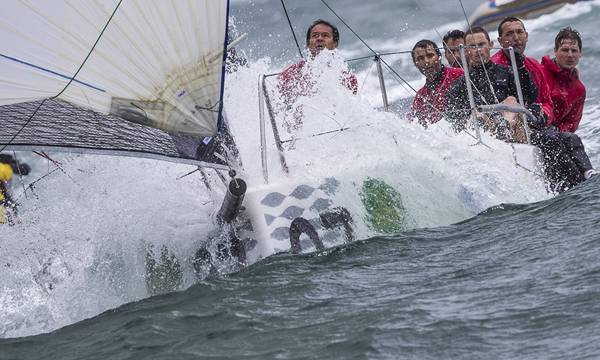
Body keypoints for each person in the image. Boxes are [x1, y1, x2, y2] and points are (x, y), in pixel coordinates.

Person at [446, 26, 539, 141]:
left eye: (481, 45)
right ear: (465, 50)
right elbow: (453, 118)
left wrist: (521, 68)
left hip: (514, 131)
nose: (477, 50)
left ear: (490, 45)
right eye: (472, 46)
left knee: (511, 100)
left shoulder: (507, 73)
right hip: (483, 135)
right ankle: (476, 134)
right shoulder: (459, 85)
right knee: (477, 113)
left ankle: (504, 128)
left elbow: (530, 97)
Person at [277, 20, 358, 130]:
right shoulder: (291, 74)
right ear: (308, 44)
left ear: (334, 45)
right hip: (300, 137)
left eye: (326, 35)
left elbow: (349, 114)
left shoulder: (348, 78)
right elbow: (273, 102)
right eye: (315, 36)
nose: (319, 38)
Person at [491, 17, 554, 125]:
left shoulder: (534, 65)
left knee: (570, 139)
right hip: (506, 126)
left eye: (519, 32)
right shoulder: (493, 66)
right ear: (500, 41)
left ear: (526, 36)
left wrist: (543, 116)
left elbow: (547, 102)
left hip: (535, 124)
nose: (516, 37)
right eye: (509, 34)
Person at [540, 27, 585, 133]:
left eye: (574, 51)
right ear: (555, 51)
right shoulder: (539, 72)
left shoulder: (579, 89)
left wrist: (556, 129)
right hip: (534, 129)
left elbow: (572, 124)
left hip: (556, 134)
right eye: (565, 50)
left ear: (580, 53)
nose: (570, 55)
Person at [410, 39, 464, 126]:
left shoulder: (459, 74)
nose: (426, 61)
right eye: (420, 58)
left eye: (430, 56)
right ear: (416, 64)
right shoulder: (420, 97)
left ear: (439, 57)